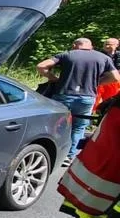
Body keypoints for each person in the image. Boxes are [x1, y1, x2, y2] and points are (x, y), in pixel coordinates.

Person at [36, 38, 120, 166]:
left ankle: (53, 153)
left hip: (64, 95)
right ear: (91, 46)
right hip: (87, 98)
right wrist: (98, 83)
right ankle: (70, 156)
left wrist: (54, 79)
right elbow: (115, 77)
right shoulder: (103, 57)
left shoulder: (67, 54)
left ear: (74, 45)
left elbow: (41, 66)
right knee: (79, 127)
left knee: (57, 125)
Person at [93, 38, 120, 113]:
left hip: (115, 81)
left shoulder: (119, 54)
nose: (107, 46)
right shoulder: (98, 55)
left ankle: (106, 112)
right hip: (101, 79)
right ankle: (92, 113)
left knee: (112, 98)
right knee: (96, 98)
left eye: (109, 44)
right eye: (105, 44)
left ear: (116, 45)